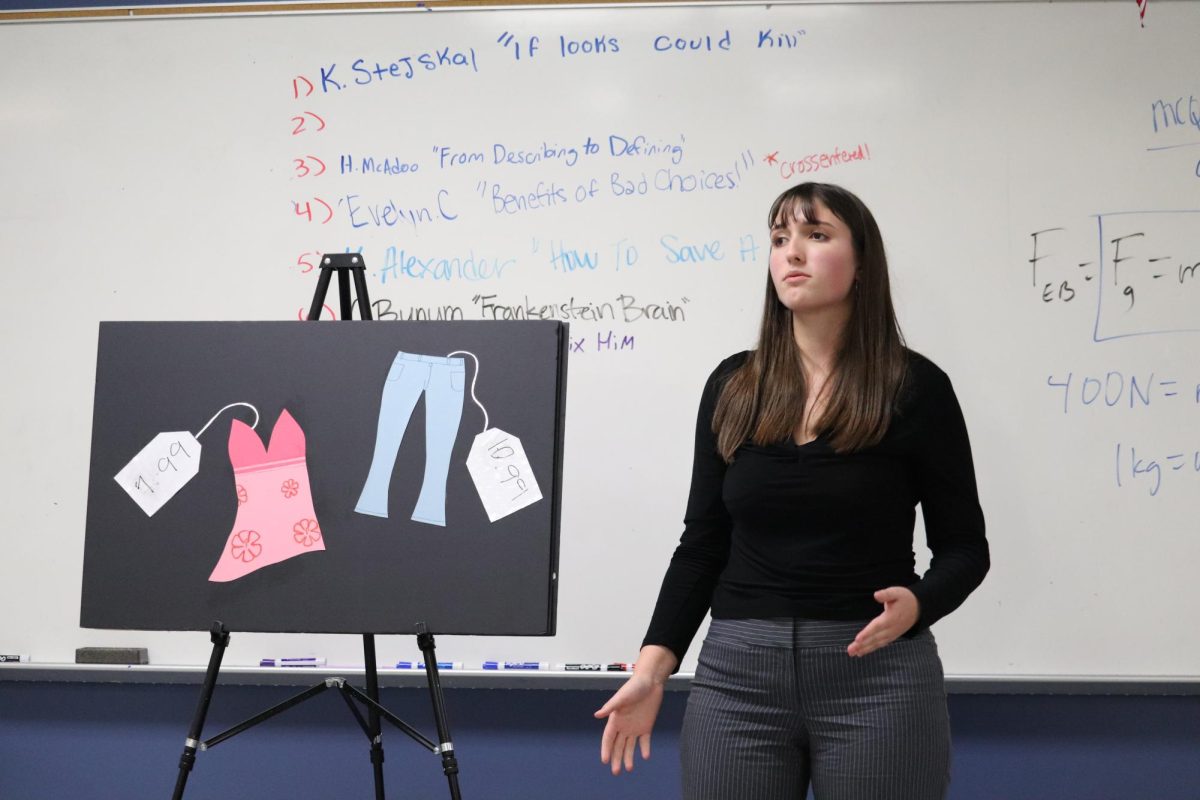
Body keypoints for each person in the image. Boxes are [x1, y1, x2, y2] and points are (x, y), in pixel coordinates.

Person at [594, 182, 989, 799]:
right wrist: (653, 668)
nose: (791, 253)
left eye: (816, 235)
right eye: (780, 239)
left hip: (876, 674)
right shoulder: (734, 385)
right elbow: (702, 545)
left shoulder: (915, 388)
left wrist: (918, 604)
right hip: (737, 678)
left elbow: (966, 548)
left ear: (862, 265)